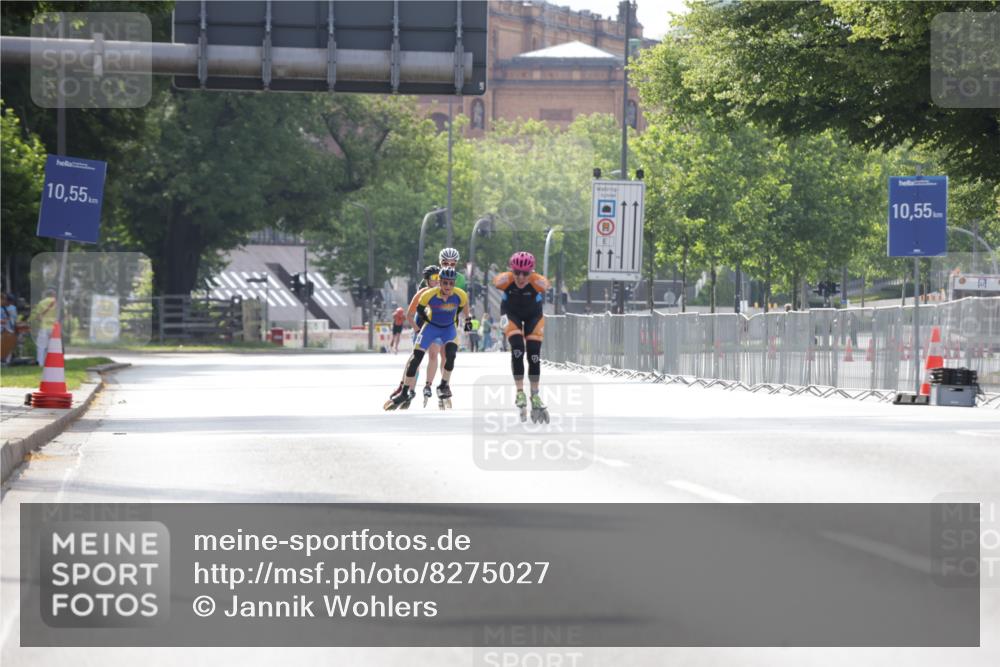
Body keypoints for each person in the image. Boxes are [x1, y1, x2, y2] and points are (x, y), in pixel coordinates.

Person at [385, 267, 469, 410]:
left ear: (454, 284)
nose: (448, 287)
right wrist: (418, 329)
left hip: (448, 329)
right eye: (444, 283)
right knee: (415, 359)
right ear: (439, 282)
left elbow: (464, 309)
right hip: (430, 327)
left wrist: (467, 321)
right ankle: (405, 391)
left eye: (451, 283)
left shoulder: (460, 295)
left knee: (451, 355)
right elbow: (417, 312)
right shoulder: (427, 294)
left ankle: (443, 385)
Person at [492, 251, 550, 423]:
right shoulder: (503, 281)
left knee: (534, 355)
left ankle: (535, 394)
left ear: (532, 272)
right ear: (512, 271)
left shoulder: (539, 282)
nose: (521, 277)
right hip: (511, 315)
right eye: (517, 272)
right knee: (517, 349)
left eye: (525, 273)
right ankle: (520, 393)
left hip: (534, 316)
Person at [30, 288, 57, 366]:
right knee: (52, 347)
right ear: (54, 295)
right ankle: (50, 363)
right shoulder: (57, 303)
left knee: (41, 347)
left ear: (46, 295)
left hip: (44, 327)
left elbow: (38, 317)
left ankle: (40, 363)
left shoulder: (41, 303)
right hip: (54, 328)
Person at [1, 293, 17, 364]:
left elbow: (14, 319)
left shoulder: (12, 308)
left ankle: (7, 361)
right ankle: (5, 360)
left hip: (9, 328)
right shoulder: (13, 308)